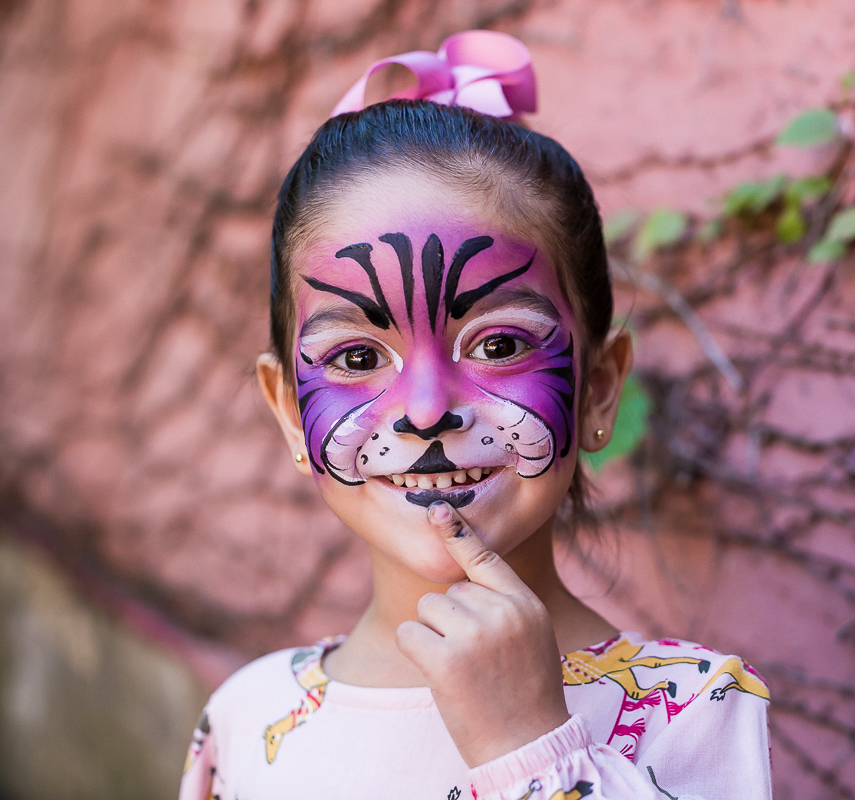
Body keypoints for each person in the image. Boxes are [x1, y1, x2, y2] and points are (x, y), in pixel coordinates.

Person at [178, 30, 771, 800]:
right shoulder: (249, 721)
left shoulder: (694, 711)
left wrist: (530, 749)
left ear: (596, 389)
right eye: (358, 359)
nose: (425, 412)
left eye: (496, 344)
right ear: (292, 413)